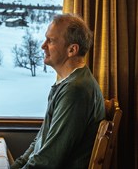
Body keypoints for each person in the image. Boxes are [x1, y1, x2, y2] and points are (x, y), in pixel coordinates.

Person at [11, 14, 105, 168]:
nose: (43, 46)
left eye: (51, 41)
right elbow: (40, 142)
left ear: (72, 50)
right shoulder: (69, 83)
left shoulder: (75, 90)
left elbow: (48, 160)